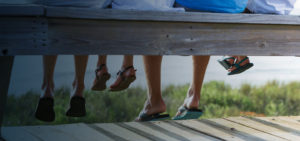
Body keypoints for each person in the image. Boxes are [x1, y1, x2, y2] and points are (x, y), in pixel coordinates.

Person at [136, 0, 250, 121]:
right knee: (206, 17)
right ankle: (193, 96)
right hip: (234, 7)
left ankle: (154, 101)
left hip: (195, 5)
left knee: (153, 12)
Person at [34, 0, 112, 122]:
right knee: (84, 17)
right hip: (87, 6)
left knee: (51, 16)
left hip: (51, 5)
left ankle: (47, 88)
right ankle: (78, 87)